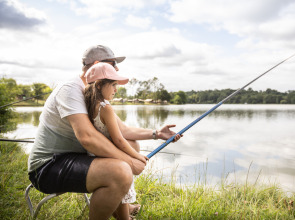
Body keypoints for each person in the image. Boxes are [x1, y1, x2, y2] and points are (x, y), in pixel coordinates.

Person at [28, 45, 181, 220]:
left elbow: (123, 131)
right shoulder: (70, 89)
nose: (116, 68)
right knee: (121, 171)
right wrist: (130, 162)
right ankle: (119, 208)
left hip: (75, 157)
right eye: (113, 64)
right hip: (48, 167)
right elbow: (88, 138)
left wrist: (157, 133)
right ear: (97, 65)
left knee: (130, 145)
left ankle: (119, 207)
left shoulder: (94, 94)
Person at [83, 62, 147, 219]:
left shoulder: (89, 104)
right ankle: (124, 218)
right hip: (107, 156)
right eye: (113, 85)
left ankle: (124, 215)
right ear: (99, 85)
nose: (116, 90)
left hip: (94, 155)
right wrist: (136, 156)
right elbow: (119, 139)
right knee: (125, 172)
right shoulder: (106, 107)